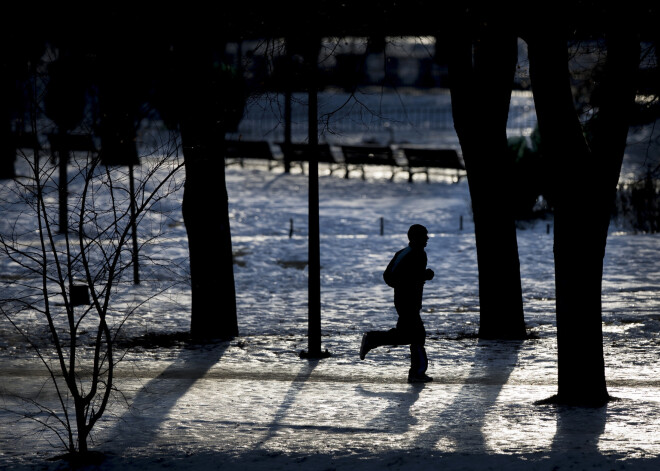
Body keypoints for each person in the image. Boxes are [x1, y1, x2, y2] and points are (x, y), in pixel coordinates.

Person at [360, 224, 435, 383]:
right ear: (415, 238)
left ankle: (372, 339)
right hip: (406, 302)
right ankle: (416, 373)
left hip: (411, 302)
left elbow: (411, 276)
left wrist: (421, 277)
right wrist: (416, 280)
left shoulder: (419, 253)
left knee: (407, 335)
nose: (427, 238)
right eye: (424, 236)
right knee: (417, 335)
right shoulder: (406, 254)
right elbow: (389, 276)